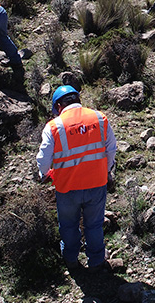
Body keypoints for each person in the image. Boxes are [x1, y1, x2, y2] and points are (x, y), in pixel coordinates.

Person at [36, 85, 117, 273]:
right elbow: (111, 149)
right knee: (94, 225)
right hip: (97, 184)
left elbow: (43, 158)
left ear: (58, 106)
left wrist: (44, 174)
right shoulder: (99, 118)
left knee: (68, 226)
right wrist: (107, 171)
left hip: (67, 188)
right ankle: (96, 262)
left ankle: (71, 260)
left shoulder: (54, 126)